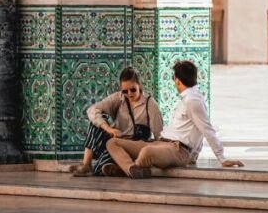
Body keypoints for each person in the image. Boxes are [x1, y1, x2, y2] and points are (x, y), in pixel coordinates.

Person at [106, 60, 244, 179]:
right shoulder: (188, 98)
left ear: (177, 80)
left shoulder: (193, 101)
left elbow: (206, 129)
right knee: (113, 143)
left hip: (179, 151)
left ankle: (126, 169)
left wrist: (221, 158)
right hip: (162, 143)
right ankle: (131, 169)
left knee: (146, 152)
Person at [68, 67, 163, 177]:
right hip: (115, 142)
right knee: (97, 121)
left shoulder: (150, 104)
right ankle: (86, 164)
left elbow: (158, 133)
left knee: (101, 168)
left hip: (134, 146)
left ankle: (121, 168)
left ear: (140, 86)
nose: (129, 93)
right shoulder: (119, 98)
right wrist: (109, 129)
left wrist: (158, 155)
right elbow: (92, 110)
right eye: (125, 91)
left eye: (133, 90)